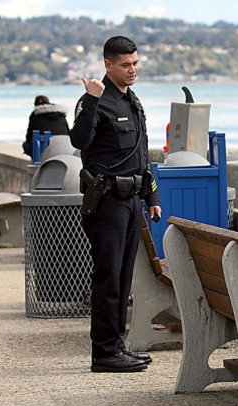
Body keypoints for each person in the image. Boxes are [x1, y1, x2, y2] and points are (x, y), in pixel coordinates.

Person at [70, 36, 161, 373]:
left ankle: (116, 345)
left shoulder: (131, 101)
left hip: (131, 200)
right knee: (108, 278)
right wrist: (92, 100)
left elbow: (142, 153)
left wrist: (152, 195)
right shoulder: (95, 100)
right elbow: (79, 140)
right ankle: (104, 352)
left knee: (123, 280)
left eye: (135, 63)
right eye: (125, 64)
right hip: (106, 202)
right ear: (108, 65)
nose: (132, 69)